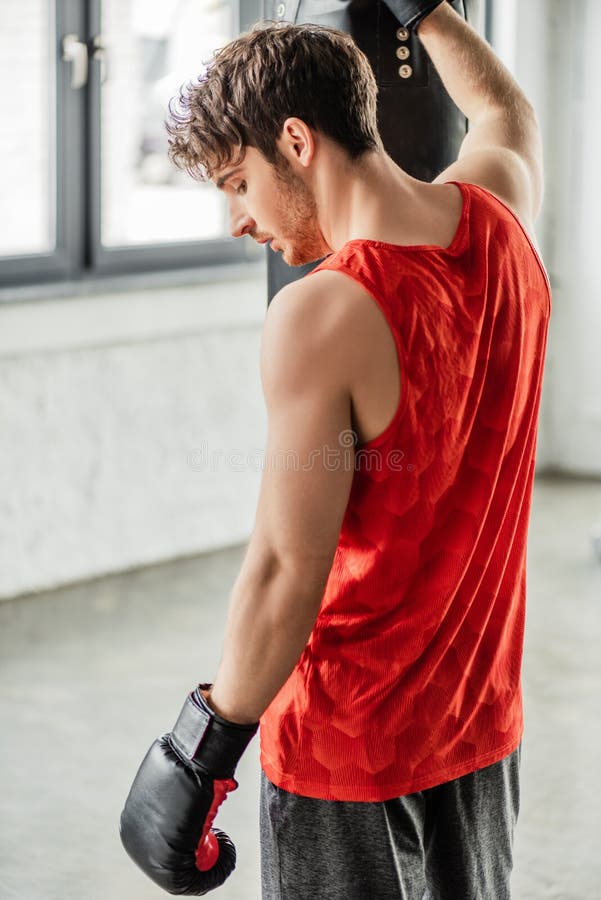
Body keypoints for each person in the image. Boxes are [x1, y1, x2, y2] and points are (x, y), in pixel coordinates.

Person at [119, 3, 551, 899]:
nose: (238, 221)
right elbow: (505, 112)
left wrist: (197, 752)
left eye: (238, 182)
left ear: (296, 140)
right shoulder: (502, 218)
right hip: (477, 728)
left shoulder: (321, 311)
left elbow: (284, 565)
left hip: (346, 750)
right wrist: (426, 11)